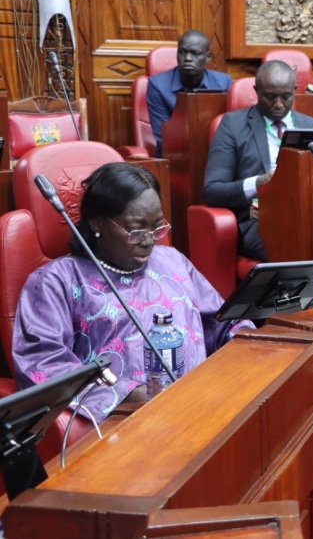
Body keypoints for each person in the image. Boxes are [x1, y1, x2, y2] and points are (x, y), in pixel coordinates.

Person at [12, 163, 253, 423]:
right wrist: (128, 394)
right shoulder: (55, 281)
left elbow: (222, 322)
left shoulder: (172, 259)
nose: (149, 240)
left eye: (156, 227)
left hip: (201, 403)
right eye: (136, 229)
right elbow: (43, 365)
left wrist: (246, 342)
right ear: (98, 223)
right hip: (124, 423)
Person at [203, 60, 313, 261]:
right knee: (291, 243)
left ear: (294, 91)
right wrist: (257, 183)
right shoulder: (232, 125)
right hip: (259, 221)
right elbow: (212, 191)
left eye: (286, 97)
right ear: (256, 91)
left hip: (306, 216)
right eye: (270, 97)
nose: (278, 104)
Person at [147, 30, 233, 157]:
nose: (187, 59)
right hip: (174, 156)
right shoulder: (157, 85)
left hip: (215, 153)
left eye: (195, 53)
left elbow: (229, 128)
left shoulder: (223, 82)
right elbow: (163, 136)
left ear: (208, 57)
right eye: (182, 52)